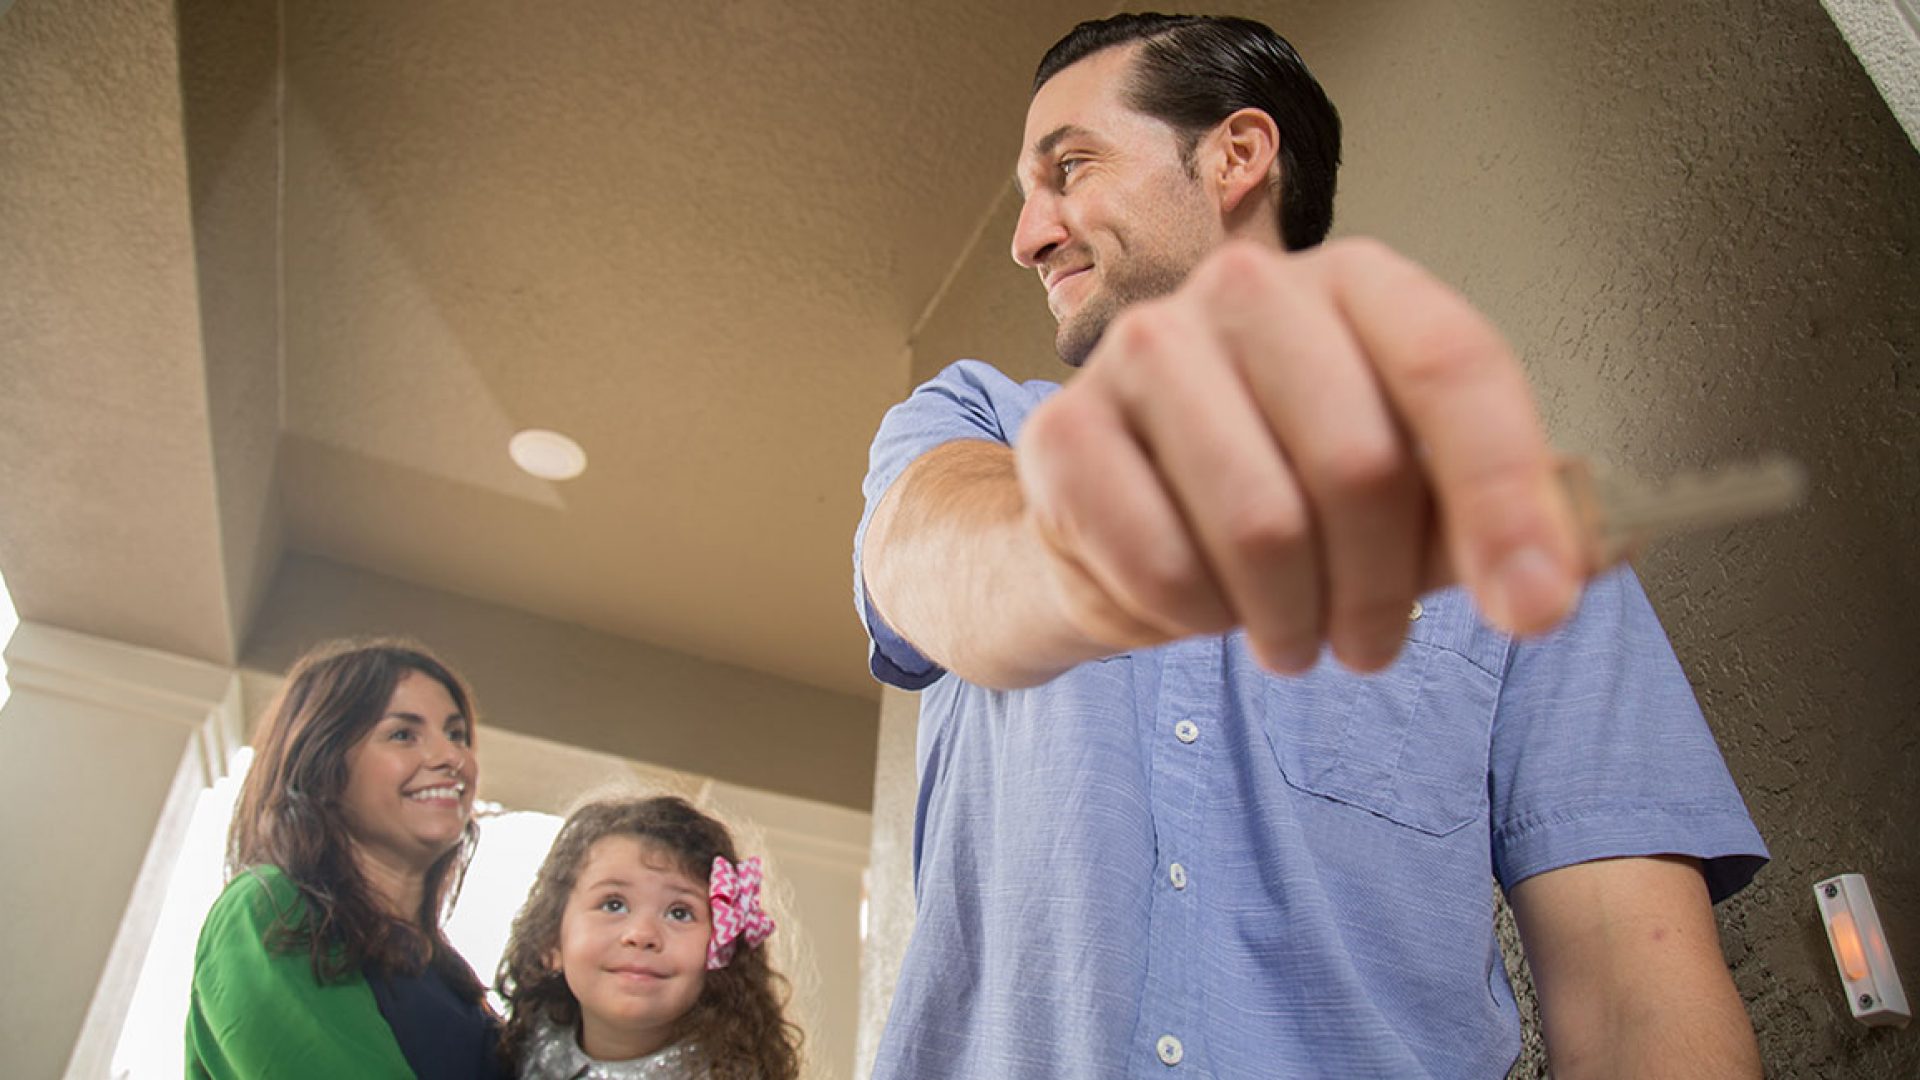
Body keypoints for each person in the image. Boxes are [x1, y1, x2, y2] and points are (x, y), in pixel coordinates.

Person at [855, 12, 1768, 1078]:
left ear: (1237, 156)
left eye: (1071, 168)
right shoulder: (976, 421)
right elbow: (947, 564)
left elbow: (1634, 1005)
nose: (1030, 236)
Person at [186, 640, 505, 1079]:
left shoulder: (452, 980)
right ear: (323, 765)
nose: (452, 757)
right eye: (402, 734)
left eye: (457, 735)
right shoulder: (269, 909)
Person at [496, 795, 803, 1079]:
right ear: (551, 940)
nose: (642, 935)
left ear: (721, 952)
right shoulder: (508, 1053)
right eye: (613, 904)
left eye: (679, 913)